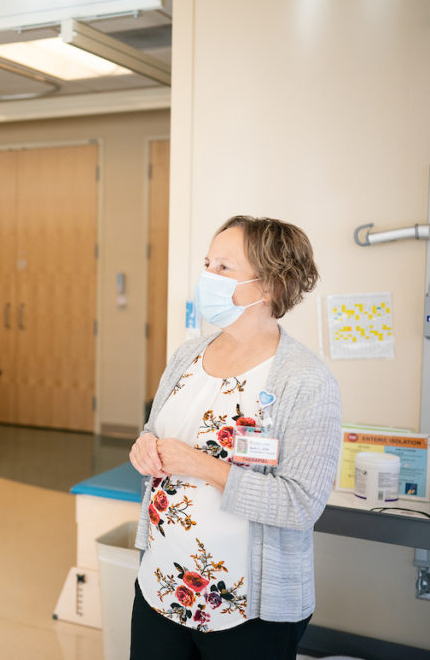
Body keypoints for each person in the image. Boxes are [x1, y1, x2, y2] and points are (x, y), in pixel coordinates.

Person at [128, 216, 341, 659]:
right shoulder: (188, 354)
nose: (208, 277)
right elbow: (154, 430)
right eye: (207, 264)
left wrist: (202, 466)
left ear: (270, 286)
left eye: (223, 268)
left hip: (247, 608)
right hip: (162, 584)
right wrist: (143, 446)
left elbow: (301, 503)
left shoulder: (305, 380)